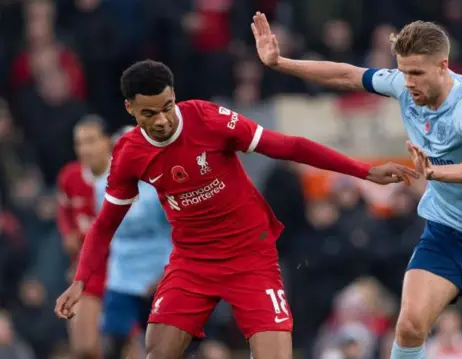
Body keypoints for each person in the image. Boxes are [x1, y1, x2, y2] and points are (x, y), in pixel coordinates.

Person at [54, 59, 418, 359]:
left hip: (250, 255)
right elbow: (104, 226)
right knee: (157, 351)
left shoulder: (207, 120)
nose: (163, 120)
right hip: (192, 261)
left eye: (167, 107)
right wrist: (81, 281)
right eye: (150, 113)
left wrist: (364, 171)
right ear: (130, 109)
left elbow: (287, 146)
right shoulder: (129, 154)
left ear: (174, 96)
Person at [252, 13, 462, 359]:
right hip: (446, 232)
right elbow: (347, 74)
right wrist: (280, 62)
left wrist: (436, 174)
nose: (408, 82)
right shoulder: (402, 84)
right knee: (410, 325)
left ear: (443, 66)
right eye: (403, 72)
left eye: (416, 73)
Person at [99, 125, 172, 359]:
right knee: (112, 343)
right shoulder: (102, 187)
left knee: (166, 347)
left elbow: (180, 233)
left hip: (158, 275)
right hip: (122, 277)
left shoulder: (162, 187)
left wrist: (166, 273)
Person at [57, 115, 112, 359]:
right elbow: (64, 212)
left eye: (91, 141)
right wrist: (68, 233)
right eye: (79, 143)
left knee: (124, 346)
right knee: (84, 348)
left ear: (107, 142)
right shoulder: (70, 177)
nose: (84, 149)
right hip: (86, 273)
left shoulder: (125, 177)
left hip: (123, 272)